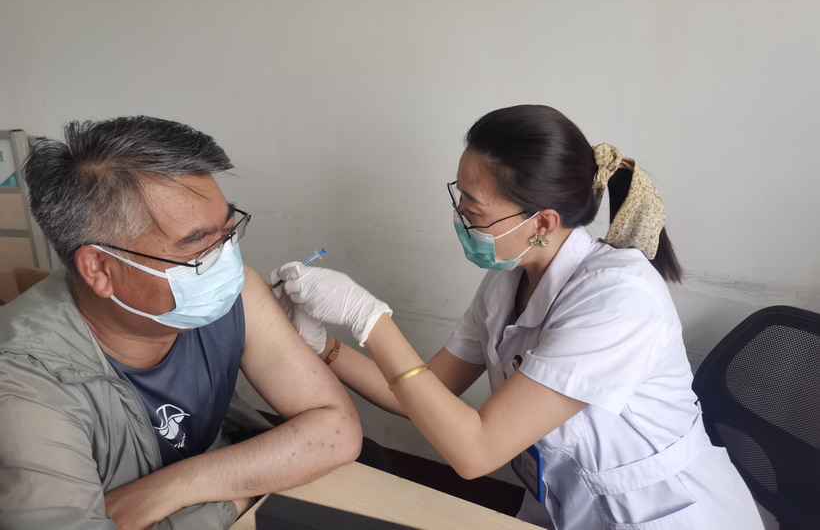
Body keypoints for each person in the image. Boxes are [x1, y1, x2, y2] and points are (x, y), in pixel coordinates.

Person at [273, 105, 764, 529]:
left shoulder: (619, 299)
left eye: (474, 207)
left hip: (666, 514)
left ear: (542, 223)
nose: (461, 216)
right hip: (565, 504)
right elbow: (424, 393)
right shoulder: (507, 281)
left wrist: (368, 317)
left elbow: (475, 451)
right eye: (459, 196)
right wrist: (323, 348)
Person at [0, 116, 362, 530]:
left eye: (228, 233)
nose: (227, 262)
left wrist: (171, 488)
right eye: (198, 249)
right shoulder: (25, 388)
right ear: (100, 268)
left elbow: (335, 427)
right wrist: (243, 492)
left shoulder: (232, 293)